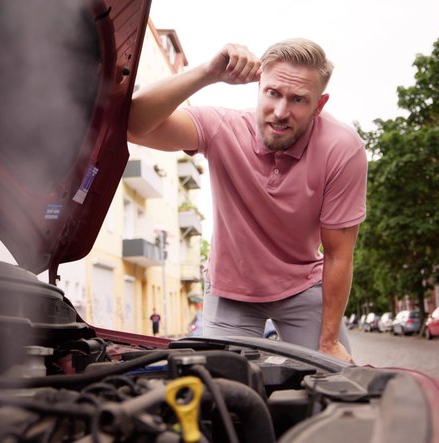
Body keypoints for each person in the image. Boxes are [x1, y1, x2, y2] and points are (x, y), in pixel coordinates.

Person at [128, 39, 366, 363]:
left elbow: (339, 253)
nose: (281, 112)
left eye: (298, 99)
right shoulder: (222, 128)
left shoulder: (342, 148)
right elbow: (132, 123)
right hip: (230, 290)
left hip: (301, 284)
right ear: (259, 88)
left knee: (333, 381)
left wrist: (328, 342)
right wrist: (207, 73)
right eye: (273, 93)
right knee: (224, 397)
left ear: (319, 105)